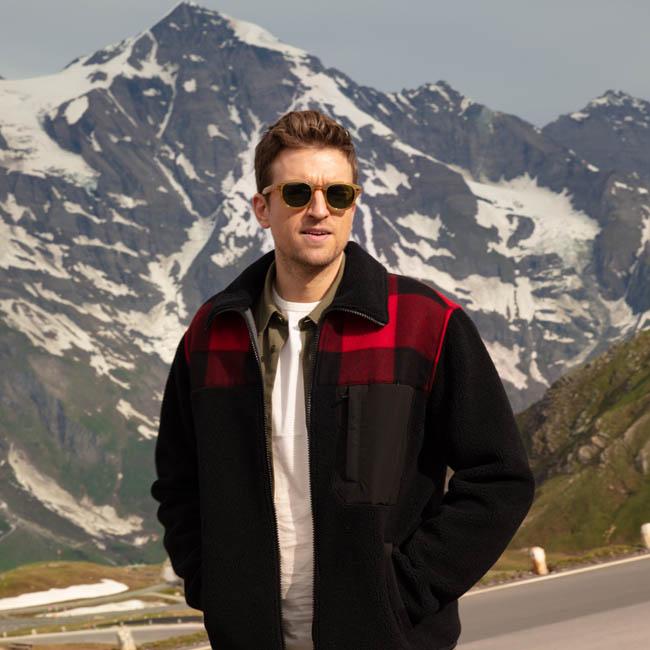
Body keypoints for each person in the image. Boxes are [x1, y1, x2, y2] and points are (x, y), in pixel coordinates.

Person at [150, 109, 536, 650]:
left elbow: (499, 477)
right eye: (296, 193)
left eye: (337, 194)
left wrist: (403, 594)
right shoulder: (211, 334)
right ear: (262, 209)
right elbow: (178, 482)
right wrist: (213, 587)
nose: (318, 210)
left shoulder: (425, 324)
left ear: (354, 205)